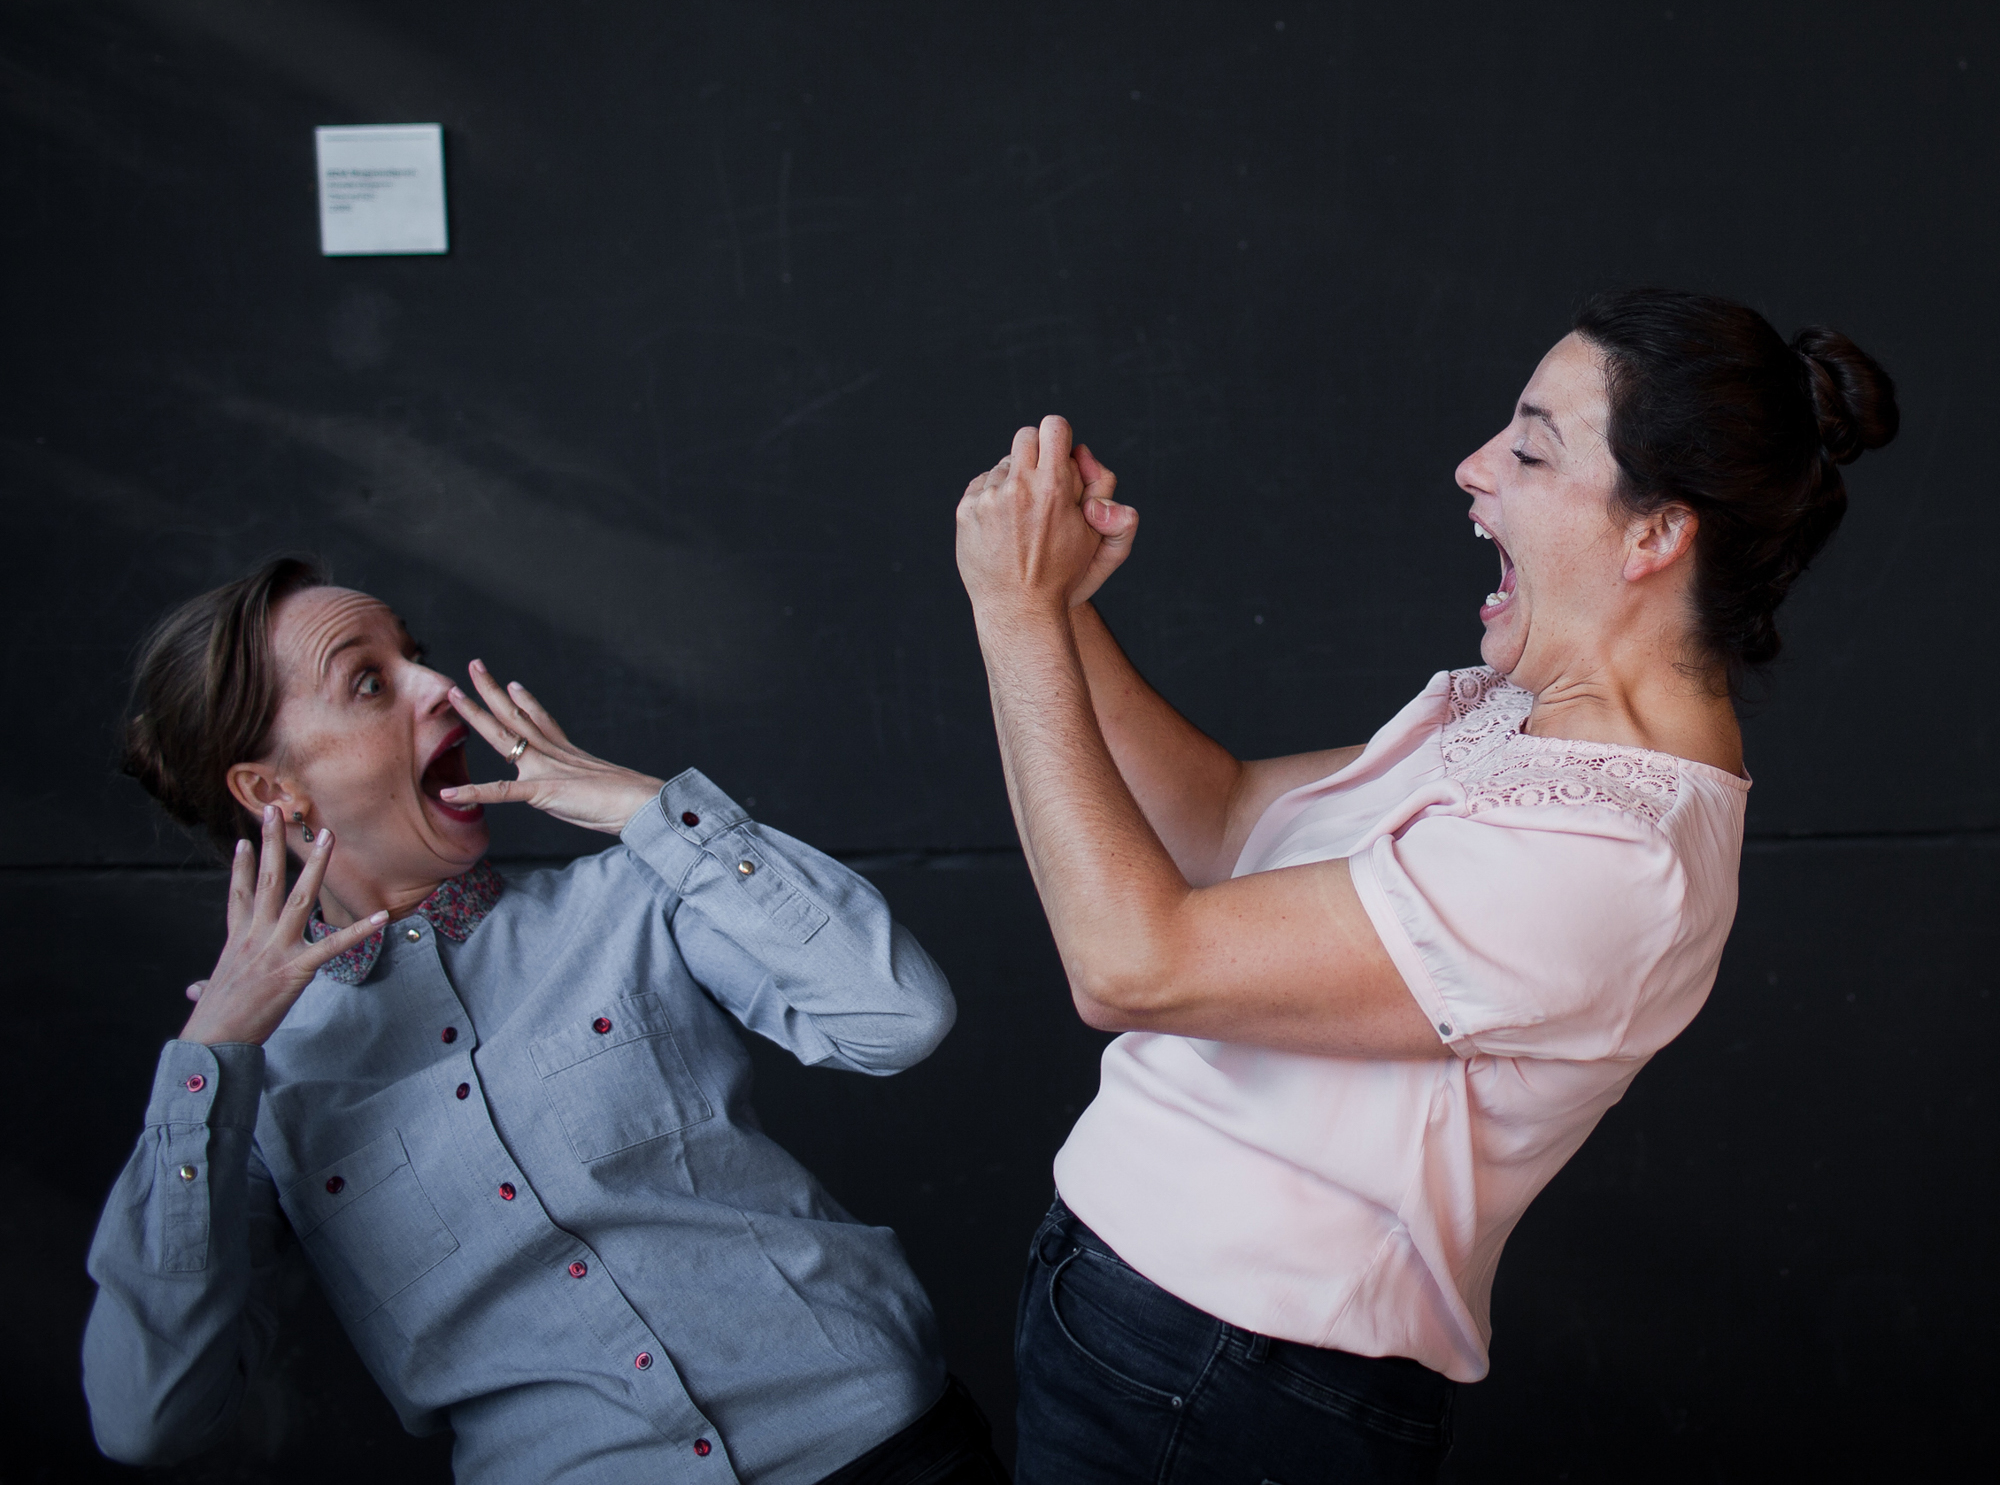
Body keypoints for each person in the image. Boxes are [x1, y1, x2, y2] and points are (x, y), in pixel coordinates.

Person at [953, 288, 1898, 1483]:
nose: (1472, 467)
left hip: (1224, 1380)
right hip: (1145, 1328)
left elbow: (1131, 965)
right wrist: (1060, 610)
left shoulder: (1609, 853)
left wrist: (1015, 614)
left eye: (1530, 450)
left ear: (1654, 533)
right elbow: (1225, 824)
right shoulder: (1509, 719)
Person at [82, 560, 1007, 1484]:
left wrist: (646, 808)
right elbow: (145, 1416)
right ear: (272, 791)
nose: (438, 685)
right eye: (368, 682)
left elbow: (900, 1015)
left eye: (414, 655)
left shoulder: (631, 899)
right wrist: (205, 1071)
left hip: (891, 1457)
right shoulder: (251, 1095)